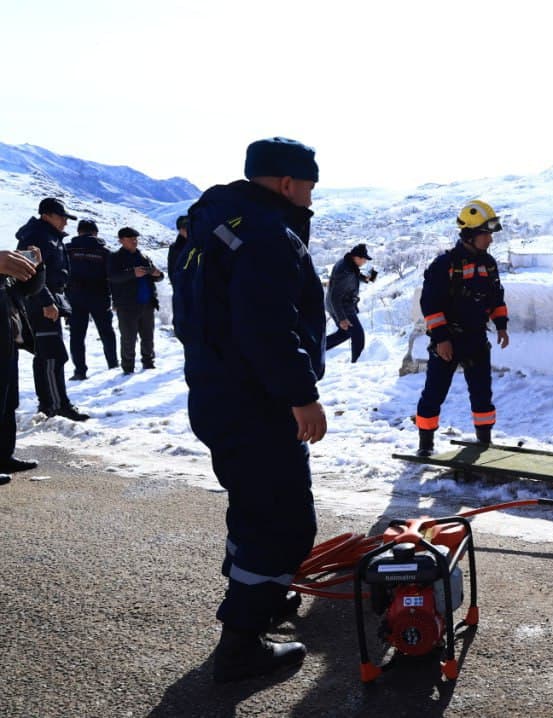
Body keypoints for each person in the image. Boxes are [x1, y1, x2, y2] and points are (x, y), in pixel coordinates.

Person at [178, 137, 326, 682]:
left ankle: (262, 597)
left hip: (216, 394)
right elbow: (267, 327)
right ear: (288, 183)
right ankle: (241, 645)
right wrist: (301, 395)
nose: (311, 196)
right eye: (309, 184)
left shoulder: (211, 224)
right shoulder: (265, 235)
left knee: (253, 506)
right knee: (285, 522)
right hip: (258, 402)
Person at [414, 200, 511, 456]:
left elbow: (496, 299)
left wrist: (501, 326)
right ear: (470, 234)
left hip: (477, 340)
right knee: (434, 393)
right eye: (486, 234)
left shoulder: (488, 264)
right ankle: (425, 444)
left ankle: (483, 443)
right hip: (448, 341)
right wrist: (442, 338)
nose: (490, 240)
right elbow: (430, 305)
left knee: (482, 394)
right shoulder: (444, 265)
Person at [14, 198, 88, 421]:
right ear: (47, 215)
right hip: (40, 303)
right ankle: (53, 405)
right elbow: (30, 272)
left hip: (50, 300)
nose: (65, 222)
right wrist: (46, 302)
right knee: (50, 355)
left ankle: (55, 402)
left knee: (51, 354)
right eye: (61, 217)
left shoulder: (48, 235)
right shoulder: (37, 236)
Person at [0, 244, 45, 485]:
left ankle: (4, 457)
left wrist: (38, 267)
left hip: (8, 341)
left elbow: (27, 290)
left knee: (8, 403)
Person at [65, 219, 119, 380]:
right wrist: (114, 299)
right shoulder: (104, 252)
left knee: (77, 336)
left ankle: (80, 371)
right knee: (107, 333)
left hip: (75, 298)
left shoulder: (68, 249)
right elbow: (112, 277)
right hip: (100, 296)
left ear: (78, 232)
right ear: (95, 233)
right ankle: (113, 365)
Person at [108, 227, 164, 373]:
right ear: (121, 240)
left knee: (148, 336)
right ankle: (128, 367)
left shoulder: (144, 257)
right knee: (128, 337)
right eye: (130, 238)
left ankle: (148, 362)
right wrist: (132, 273)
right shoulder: (115, 258)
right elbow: (112, 277)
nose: (134, 241)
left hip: (147, 303)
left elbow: (158, 276)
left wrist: (157, 275)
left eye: (135, 238)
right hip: (127, 305)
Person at [324, 243, 376, 362]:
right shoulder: (345, 271)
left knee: (344, 333)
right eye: (364, 259)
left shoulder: (348, 264)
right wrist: (342, 318)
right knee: (358, 335)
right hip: (341, 306)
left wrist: (366, 278)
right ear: (356, 257)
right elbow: (334, 297)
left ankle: (315, 349)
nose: (365, 262)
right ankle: (357, 364)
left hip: (340, 305)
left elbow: (355, 274)